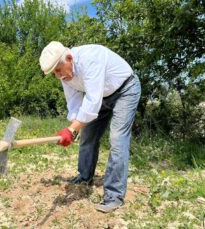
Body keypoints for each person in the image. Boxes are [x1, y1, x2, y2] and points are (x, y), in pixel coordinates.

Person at [39, 41, 141, 213]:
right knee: (88, 135)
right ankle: (85, 176)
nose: (57, 76)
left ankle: (114, 196)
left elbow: (93, 101)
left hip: (125, 90)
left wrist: (72, 129)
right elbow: (74, 103)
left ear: (69, 58)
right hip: (102, 96)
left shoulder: (91, 58)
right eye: (54, 73)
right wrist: (73, 129)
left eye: (58, 70)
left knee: (117, 140)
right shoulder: (65, 74)